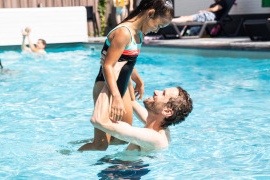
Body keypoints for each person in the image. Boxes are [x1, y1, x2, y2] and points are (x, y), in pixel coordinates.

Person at [78, 0, 174, 151]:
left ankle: (90, 140)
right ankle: (69, 155)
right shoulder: (123, 32)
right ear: (150, 14)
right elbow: (108, 66)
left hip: (119, 88)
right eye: (158, 25)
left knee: (121, 139)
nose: (156, 30)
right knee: (100, 145)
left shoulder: (138, 34)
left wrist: (139, 81)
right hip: (107, 86)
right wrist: (116, 96)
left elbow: (127, 62)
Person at [79, 62, 193, 152]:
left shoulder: (154, 138)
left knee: (105, 143)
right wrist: (125, 64)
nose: (155, 91)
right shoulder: (160, 126)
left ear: (167, 111)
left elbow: (98, 121)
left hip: (125, 174)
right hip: (123, 169)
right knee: (116, 141)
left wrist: (111, 78)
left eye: (162, 94)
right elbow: (132, 102)